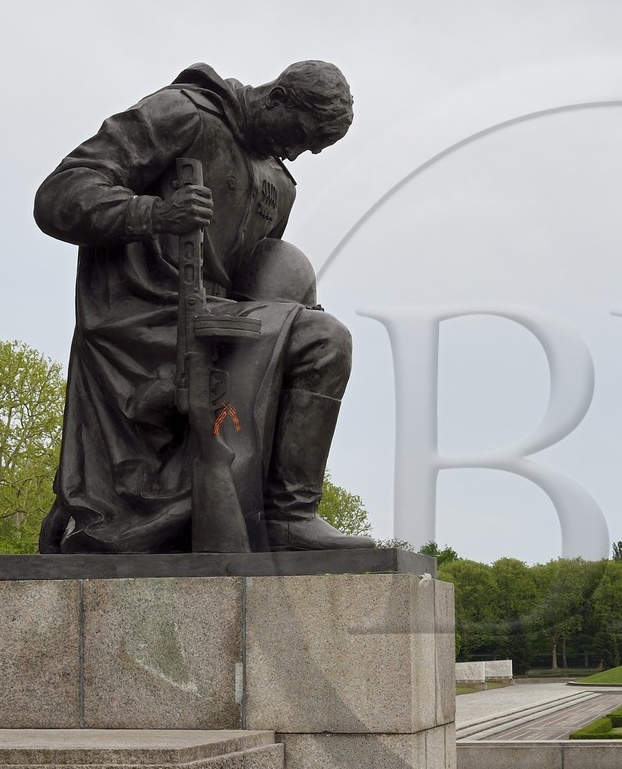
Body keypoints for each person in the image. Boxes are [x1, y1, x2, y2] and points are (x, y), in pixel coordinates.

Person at [34, 60, 373, 553]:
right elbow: (57, 197)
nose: (296, 154)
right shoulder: (183, 113)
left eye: (310, 150)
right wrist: (153, 212)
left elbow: (252, 283)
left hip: (215, 323)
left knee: (323, 340)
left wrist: (297, 308)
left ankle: (289, 515)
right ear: (277, 98)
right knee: (317, 338)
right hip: (137, 326)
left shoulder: (280, 184)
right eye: (298, 137)